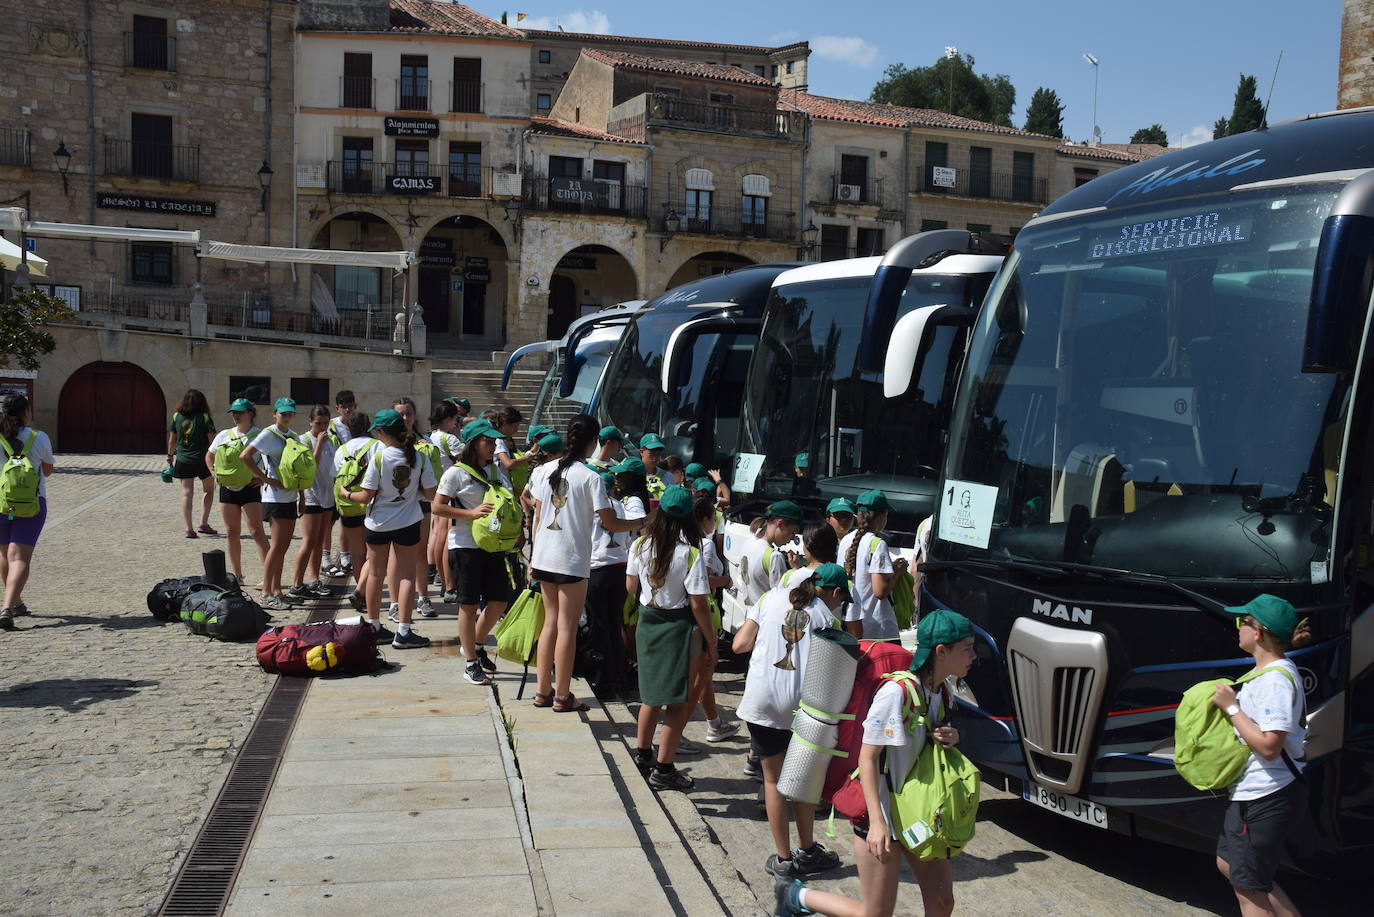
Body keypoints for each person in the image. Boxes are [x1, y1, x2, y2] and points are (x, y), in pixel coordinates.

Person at [776, 608, 977, 917]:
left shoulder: (941, 692)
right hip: (879, 816)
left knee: (942, 902)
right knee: (875, 913)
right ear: (941, 651)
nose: (973, 656)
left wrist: (953, 736)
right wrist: (878, 823)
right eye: (967, 648)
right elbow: (867, 758)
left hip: (918, 815)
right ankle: (796, 896)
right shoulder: (896, 693)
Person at [734, 563, 850, 880]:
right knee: (802, 782)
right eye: (842, 599)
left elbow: (739, 645)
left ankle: (784, 860)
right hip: (803, 708)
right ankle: (808, 851)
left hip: (762, 701)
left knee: (772, 781)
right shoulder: (827, 619)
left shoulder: (769, 598)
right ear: (835, 592)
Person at [528, 414, 641, 712]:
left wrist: (533, 558)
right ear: (593, 442)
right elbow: (611, 523)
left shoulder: (543, 470)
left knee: (550, 623)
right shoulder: (590, 477)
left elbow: (537, 515)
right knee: (566, 626)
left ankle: (542, 691)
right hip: (571, 558)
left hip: (544, 554)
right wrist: (643, 522)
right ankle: (562, 695)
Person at [1212, 595, 1311, 917]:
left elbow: (1270, 747)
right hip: (1257, 792)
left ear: (1258, 632)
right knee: (1232, 864)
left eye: (1242, 621)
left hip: (1266, 794)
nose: (1237, 626)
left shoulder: (1274, 681)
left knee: (1250, 891)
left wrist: (1231, 707)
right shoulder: (1268, 674)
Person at [626, 485, 714, 790]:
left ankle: (642, 755)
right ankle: (664, 768)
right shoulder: (690, 553)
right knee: (677, 702)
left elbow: (630, 586)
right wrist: (711, 641)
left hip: (647, 623)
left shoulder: (640, 545)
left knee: (650, 697)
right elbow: (698, 604)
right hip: (677, 628)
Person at [340, 408, 437, 649]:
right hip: (408, 521)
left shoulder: (379, 458)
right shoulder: (419, 457)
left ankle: (374, 627)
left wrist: (346, 493)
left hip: (378, 523)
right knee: (407, 575)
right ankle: (404, 631)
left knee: (375, 573)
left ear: (381, 432)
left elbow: (366, 496)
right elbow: (431, 494)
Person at [433, 418, 509, 686]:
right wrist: (471, 513)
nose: (493, 446)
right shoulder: (456, 473)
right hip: (465, 546)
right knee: (468, 605)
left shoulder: (495, 470)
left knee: (499, 601)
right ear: (474, 443)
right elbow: (437, 507)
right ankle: (470, 664)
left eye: (494, 442)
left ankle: (475, 645)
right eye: (488, 441)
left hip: (493, 545)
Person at [586, 465, 647, 698]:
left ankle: (605, 681)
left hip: (597, 568)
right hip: (619, 567)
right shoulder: (619, 505)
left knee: (600, 625)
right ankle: (620, 677)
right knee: (615, 625)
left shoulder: (593, 507)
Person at [241, 397, 302, 611]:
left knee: (283, 547)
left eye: (290, 413)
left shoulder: (294, 436)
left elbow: (298, 468)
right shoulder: (268, 433)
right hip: (274, 498)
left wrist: (302, 497)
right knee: (276, 547)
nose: (287, 416)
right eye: (283, 413)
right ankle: (266, 593)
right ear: (274, 413)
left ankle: (277, 591)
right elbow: (245, 456)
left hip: (290, 496)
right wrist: (265, 478)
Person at [0, 394, 54, 630]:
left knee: (5, 554)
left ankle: (16, 602)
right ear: (25, 413)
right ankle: (7, 607)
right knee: (19, 557)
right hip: (30, 504)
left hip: (2, 504)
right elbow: (48, 471)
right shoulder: (38, 437)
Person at [205, 399, 269, 585]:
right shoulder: (224, 435)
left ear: (250, 413)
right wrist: (214, 472)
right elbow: (209, 455)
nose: (236, 415)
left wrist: (263, 479)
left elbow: (274, 460)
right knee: (232, 532)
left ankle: (269, 576)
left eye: (240, 412)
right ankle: (236, 576)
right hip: (227, 489)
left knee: (257, 532)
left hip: (250, 488)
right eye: (233, 412)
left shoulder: (260, 436)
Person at [692, 495, 739, 744]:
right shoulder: (705, 545)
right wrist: (727, 581)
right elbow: (705, 580)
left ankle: (715, 723)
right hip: (705, 613)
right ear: (705, 520)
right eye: (713, 518)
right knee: (702, 677)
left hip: (693, 614)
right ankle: (703, 727)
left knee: (702, 677)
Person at [392, 397, 439, 619]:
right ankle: (395, 603)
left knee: (421, 550)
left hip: (420, 502)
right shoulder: (387, 444)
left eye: (408, 413)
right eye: (400, 414)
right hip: (396, 504)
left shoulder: (425, 442)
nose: (405, 418)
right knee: (395, 554)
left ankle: (423, 597)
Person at [840, 490, 905, 641]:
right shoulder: (877, 544)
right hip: (877, 629)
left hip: (851, 625)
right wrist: (897, 572)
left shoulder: (845, 540)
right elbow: (880, 591)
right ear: (881, 516)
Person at [287, 406, 337, 601]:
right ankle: (296, 584)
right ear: (310, 422)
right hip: (310, 495)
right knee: (308, 540)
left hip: (327, 495)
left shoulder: (331, 441)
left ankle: (314, 579)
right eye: (318, 423)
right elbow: (308, 467)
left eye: (325, 423)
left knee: (320, 539)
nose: (322, 427)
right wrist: (319, 445)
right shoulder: (303, 440)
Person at [333, 415, 380, 611]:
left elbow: (336, 476)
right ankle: (364, 591)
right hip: (371, 504)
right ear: (368, 426)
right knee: (374, 553)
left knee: (357, 553)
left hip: (348, 505)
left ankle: (362, 596)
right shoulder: (376, 446)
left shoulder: (341, 450)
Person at [168, 389, 216, 538]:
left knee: (186, 493)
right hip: (203, 460)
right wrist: (215, 460)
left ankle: (189, 528)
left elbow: (172, 441)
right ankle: (203, 523)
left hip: (183, 459)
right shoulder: (205, 417)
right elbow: (212, 441)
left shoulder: (177, 416)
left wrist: (170, 456)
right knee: (209, 490)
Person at [738, 501, 804, 608]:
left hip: (749, 613)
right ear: (780, 524)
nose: (792, 538)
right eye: (792, 532)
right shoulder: (774, 556)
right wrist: (796, 570)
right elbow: (783, 598)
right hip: (764, 616)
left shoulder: (748, 542)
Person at [429, 400, 463, 602]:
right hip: (450, 491)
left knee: (439, 536)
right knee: (446, 539)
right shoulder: (449, 439)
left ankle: (442, 580)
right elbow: (467, 456)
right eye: (455, 419)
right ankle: (449, 584)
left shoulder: (431, 436)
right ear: (449, 419)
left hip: (435, 490)